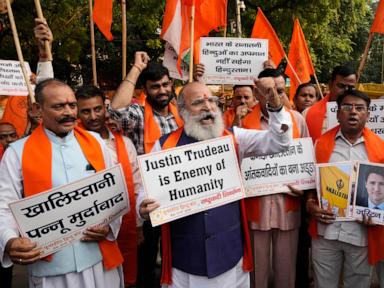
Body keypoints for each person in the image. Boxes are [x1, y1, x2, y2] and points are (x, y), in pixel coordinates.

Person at [138, 79, 293, 288]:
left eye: (211, 101)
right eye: (198, 103)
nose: (208, 107)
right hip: (186, 262)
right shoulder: (164, 145)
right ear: (182, 111)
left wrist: (275, 105)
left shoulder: (235, 137)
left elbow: (280, 142)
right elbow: (146, 192)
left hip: (230, 258)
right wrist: (144, 208)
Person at [0, 79, 124, 288]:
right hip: (52, 270)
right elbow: (4, 205)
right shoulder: (17, 153)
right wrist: (10, 240)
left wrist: (109, 225)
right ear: (38, 109)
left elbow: (112, 193)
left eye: (72, 105)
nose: (69, 112)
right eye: (59, 106)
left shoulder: (96, 142)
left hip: (99, 261)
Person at [110, 51, 183, 287]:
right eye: (154, 87)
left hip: (181, 194)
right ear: (145, 90)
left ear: (171, 84)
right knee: (148, 259)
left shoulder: (180, 114)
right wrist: (136, 68)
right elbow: (116, 110)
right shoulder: (139, 115)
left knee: (178, 256)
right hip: (150, 200)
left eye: (164, 85)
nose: (161, 91)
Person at [306, 89, 384, 288]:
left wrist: (376, 213)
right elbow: (309, 185)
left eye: (359, 108)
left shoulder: (380, 148)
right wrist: (310, 205)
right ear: (338, 113)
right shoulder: (319, 144)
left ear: (368, 114)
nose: (353, 112)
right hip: (326, 233)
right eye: (347, 107)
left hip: (362, 235)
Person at [241, 68, 309, 288]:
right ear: (257, 92)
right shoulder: (242, 122)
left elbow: (307, 159)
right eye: (269, 91)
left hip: (288, 207)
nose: (275, 96)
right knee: (256, 274)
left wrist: (305, 188)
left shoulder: (296, 119)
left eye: (279, 90)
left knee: (286, 273)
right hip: (255, 209)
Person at [76, 85, 143, 287]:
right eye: (85, 111)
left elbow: (137, 184)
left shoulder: (124, 143)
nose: (93, 116)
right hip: (87, 230)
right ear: (77, 112)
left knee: (123, 276)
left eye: (97, 109)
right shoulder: (72, 145)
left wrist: (138, 226)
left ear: (105, 108)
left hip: (124, 225)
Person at [304, 64, 357, 143]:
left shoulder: (363, 113)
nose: (346, 90)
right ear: (330, 85)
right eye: (341, 86)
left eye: (351, 87)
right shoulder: (307, 113)